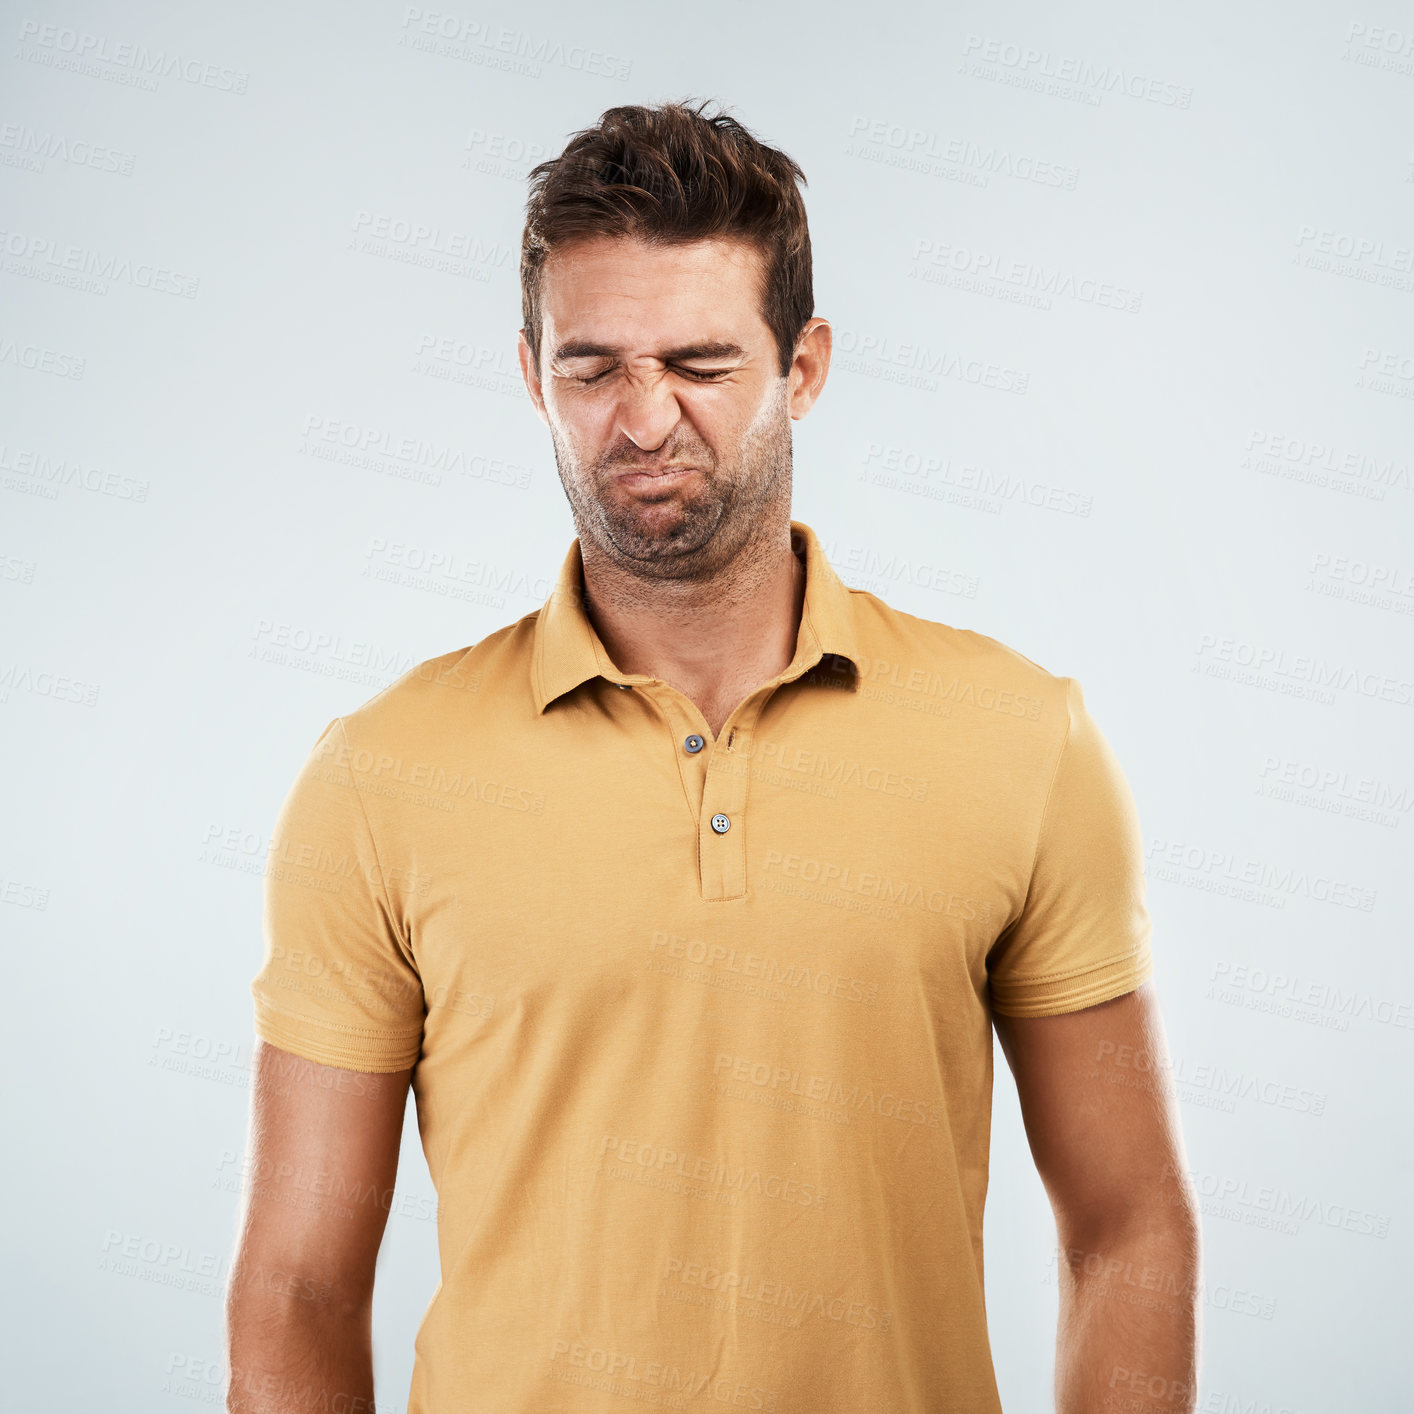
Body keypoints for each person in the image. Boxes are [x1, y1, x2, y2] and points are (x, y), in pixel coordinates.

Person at [226, 98, 1200, 1414]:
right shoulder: (382, 774)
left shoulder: (1022, 738)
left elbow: (1128, 1223)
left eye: (697, 360)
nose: (643, 419)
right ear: (530, 374)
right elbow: (295, 1289)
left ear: (803, 367)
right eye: (592, 367)